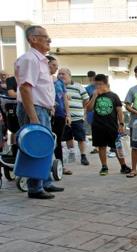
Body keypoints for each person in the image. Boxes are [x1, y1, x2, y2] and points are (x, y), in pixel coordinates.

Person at [15, 25, 63, 199]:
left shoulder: (41, 60)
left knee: (45, 147)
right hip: (33, 109)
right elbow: (25, 88)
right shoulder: (30, 59)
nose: (49, 40)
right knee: (36, 146)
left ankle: (45, 182)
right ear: (33, 39)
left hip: (41, 109)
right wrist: (33, 116)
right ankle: (35, 188)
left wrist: (49, 106)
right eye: (46, 37)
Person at [86, 74, 131, 176]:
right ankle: (104, 166)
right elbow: (88, 109)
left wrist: (121, 124)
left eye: (100, 84)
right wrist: (94, 96)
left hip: (112, 126)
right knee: (101, 146)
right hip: (98, 126)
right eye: (96, 84)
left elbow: (119, 111)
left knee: (117, 146)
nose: (98, 87)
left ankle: (123, 166)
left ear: (106, 84)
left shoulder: (114, 96)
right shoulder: (94, 95)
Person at [58, 68, 90, 166]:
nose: (61, 76)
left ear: (69, 75)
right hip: (63, 117)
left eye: (63, 74)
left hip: (77, 117)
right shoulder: (57, 86)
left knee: (80, 137)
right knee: (68, 137)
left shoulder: (78, 87)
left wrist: (82, 112)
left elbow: (86, 101)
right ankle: (71, 153)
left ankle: (83, 156)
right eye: (59, 74)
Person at [47, 55, 72, 175]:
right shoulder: (43, 80)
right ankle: (46, 166)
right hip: (47, 114)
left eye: (57, 66)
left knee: (57, 141)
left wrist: (68, 115)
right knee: (47, 140)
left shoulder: (60, 83)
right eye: (54, 65)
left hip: (60, 115)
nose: (56, 68)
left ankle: (59, 166)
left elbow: (65, 99)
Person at [85, 70, 99, 155]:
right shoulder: (87, 88)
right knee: (94, 130)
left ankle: (104, 146)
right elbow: (86, 101)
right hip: (91, 112)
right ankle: (96, 147)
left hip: (101, 111)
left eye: (93, 77)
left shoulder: (101, 86)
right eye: (90, 78)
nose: (91, 79)